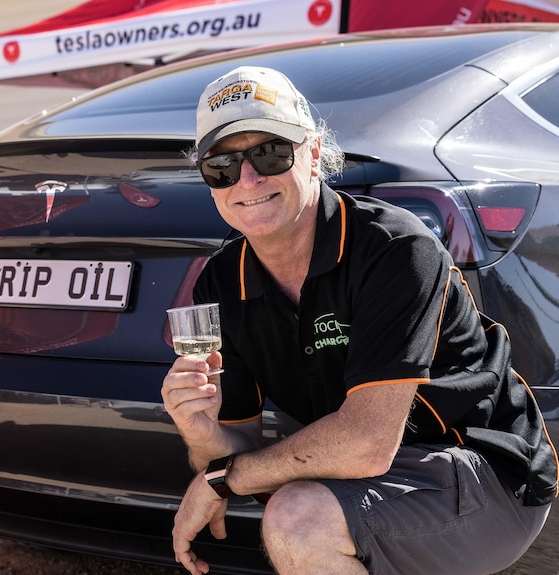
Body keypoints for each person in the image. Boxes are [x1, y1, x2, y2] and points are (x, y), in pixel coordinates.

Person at [161, 66, 558, 575]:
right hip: (368, 475)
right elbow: (235, 451)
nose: (248, 179)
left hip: (485, 473)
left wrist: (221, 480)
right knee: (296, 507)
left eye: (269, 152)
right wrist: (200, 434)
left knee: (298, 519)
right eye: (223, 165)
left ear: (312, 152)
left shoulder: (393, 248)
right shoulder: (222, 279)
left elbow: (366, 445)